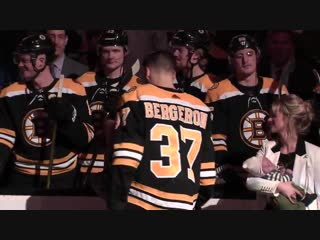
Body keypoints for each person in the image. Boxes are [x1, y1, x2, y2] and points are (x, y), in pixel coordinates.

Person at [108, 50, 216, 210]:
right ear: (174, 74)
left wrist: (117, 203)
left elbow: (126, 159)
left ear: (147, 72)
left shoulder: (137, 98)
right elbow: (207, 175)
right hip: (186, 203)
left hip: (142, 202)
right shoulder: (201, 108)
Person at [0, 33, 94, 195]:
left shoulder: (73, 90)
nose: (19, 65)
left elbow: (85, 138)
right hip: (20, 180)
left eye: (24, 60)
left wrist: (67, 119)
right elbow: (3, 141)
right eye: (18, 60)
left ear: (41, 61)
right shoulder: (9, 94)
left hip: (65, 180)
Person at [205, 34, 288, 199]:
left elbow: (288, 133)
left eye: (249, 54)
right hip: (234, 174)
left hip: (275, 172)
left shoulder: (277, 89)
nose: (245, 60)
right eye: (239, 55)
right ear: (230, 60)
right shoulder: (218, 92)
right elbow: (217, 141)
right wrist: (237, 167)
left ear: (257, 56)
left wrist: (282, 163)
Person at [75, 30, 143, 193]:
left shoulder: (138, 86)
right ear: (99, 52)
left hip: (120, 164)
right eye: (106, 51)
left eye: (116, 50)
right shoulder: (83, 82)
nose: (111, 56)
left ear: (126, 52)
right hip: (85, 163)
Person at [243, 94, 320, 210]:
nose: (268, 120)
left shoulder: (315, 154)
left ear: (289, 118)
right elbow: (251, 182)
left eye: (274, 116)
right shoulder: (268, 148)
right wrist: (278, 186)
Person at [169, 30, 216, 101]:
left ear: (196, 56)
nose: (175, 54)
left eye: (180, 50)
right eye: (174, 49)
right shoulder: (170, 78)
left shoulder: (208, 87)